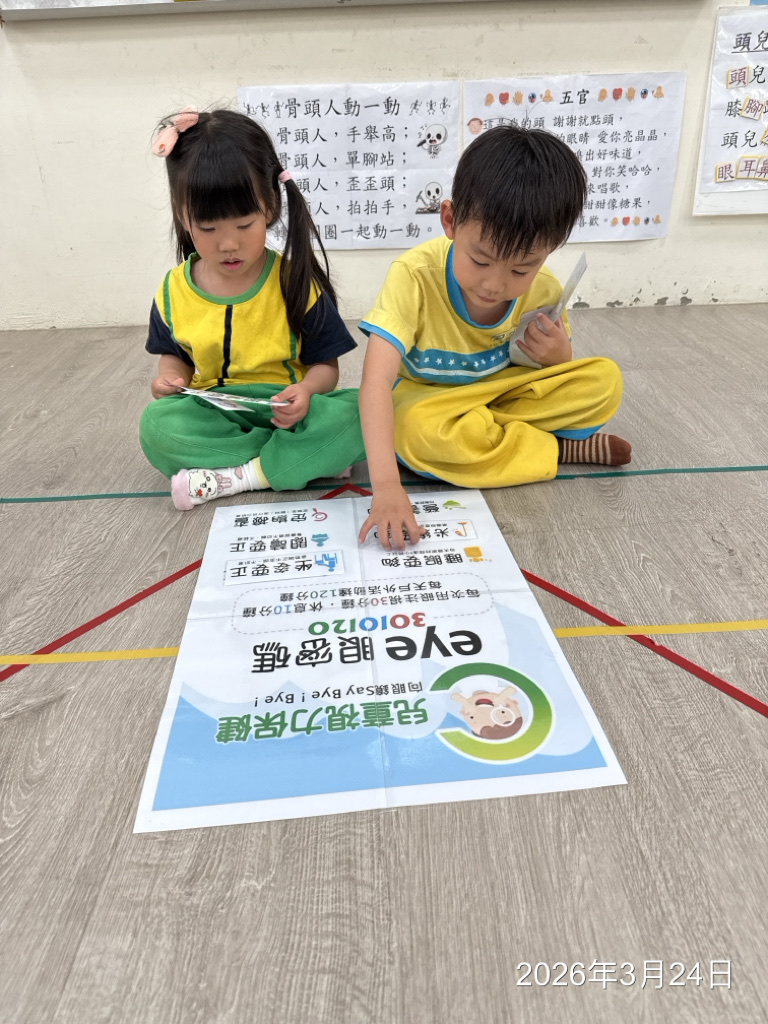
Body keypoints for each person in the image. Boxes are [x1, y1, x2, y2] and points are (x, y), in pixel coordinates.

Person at [357, 125, 631, 549]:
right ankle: (557, 451)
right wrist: (387, 487)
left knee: (604, 380)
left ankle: (493, 440)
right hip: (431, 400)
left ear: (552, 247)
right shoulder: (414, 276)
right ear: (450, 220)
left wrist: (559, 357)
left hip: (500, 396)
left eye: (521, 269)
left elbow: (552, 376)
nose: (495, 285)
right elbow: (375, 382)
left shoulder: (544, 289)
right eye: (480, 260)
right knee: (414, 429)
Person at [140, 107, 365, 510]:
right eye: (208, 228)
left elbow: (326, 369)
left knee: (362, 411)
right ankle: (293, 461)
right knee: (157, 426)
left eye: (244, 225)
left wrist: (306, 390)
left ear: (271, 207)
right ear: (181, 215)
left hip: (287, 409)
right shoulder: (173, 291)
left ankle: (238, 475)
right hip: (217, 409)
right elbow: (175, 358)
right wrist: (170, 381)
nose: (228, 244)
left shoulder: (296, 282)